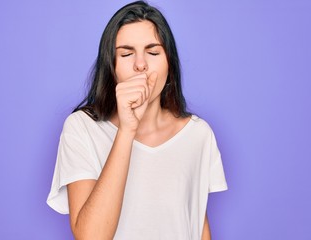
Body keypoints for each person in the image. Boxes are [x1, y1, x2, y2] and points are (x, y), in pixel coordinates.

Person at [47, 1, 227, 239]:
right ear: (111, 67)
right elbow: (91, 236)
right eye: (126, 53)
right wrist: (127, 130)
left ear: (169, 65)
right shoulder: (81, 128)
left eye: (153, 52)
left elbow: (196, 223)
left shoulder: (198, 134)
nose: (140, 65)